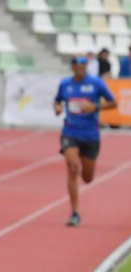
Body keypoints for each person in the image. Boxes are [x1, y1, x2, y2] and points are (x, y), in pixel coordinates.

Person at [54, 56, 116, 227]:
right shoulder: (65, 84)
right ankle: (75, 212)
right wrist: (57, 108)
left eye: (84, 64)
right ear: (72, 67)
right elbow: (57, 100)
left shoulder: (96, 83)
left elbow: (113, 102)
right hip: (70, 132)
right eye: (77, 64)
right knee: (73, 167)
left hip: (90, 135)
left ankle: (82, 179)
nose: (81, 67)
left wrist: (94, 107)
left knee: (87, 178)